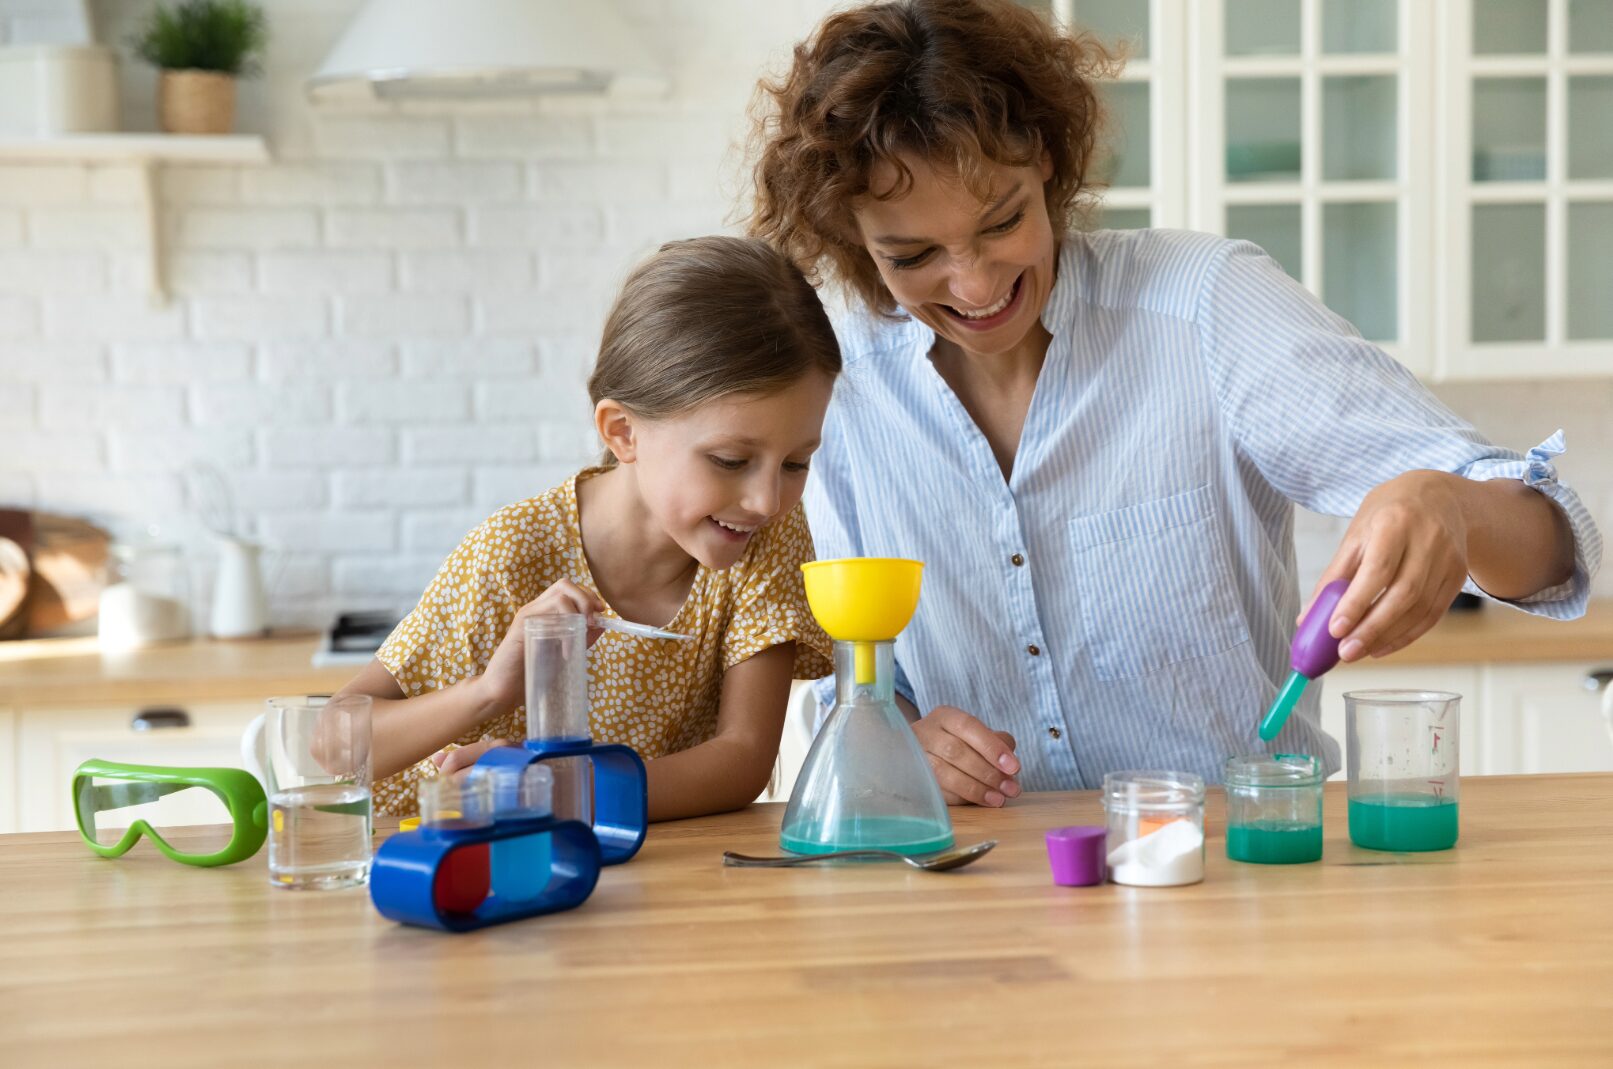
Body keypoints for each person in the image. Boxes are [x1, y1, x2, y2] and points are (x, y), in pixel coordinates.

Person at [747, 0, 1600, 806]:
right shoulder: (839, 384)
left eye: (1001, 222)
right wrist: (902, 738)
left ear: (1044, 160)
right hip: (987, 889)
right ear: (853, 238)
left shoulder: (1202, 307)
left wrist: (1453, 504)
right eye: (914, 255)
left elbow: (1554, 549)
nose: (973, 284)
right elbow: (860, 679)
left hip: (1244, 869)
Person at [336, 236, 836, 820]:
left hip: (623, 871)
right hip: (440, 858)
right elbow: (331, 746)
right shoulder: (515, 550)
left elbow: (743, 760)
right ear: (622, 431)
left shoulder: (765, 539)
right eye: (729, 460)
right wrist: (489, 693)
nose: (766, 498)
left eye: (796, 463)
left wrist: (560, 794)